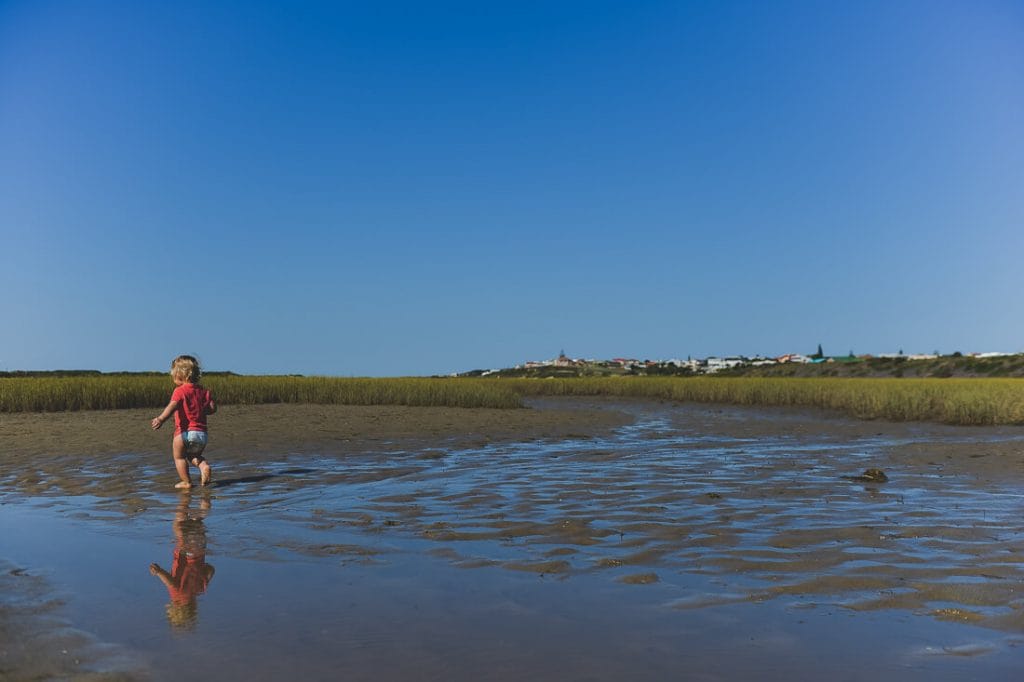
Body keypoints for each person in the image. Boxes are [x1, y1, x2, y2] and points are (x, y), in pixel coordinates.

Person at [150, 494, 215, 629]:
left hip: (200, 548)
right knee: (179, 523)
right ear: (175, 609)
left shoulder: (200, 590)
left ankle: (206, 498)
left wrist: (203, 567)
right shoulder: (177, 596)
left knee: (198, 520)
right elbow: (171, 583)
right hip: (185, 550)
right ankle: (185, 498)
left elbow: (211, 570)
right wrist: (159, 571)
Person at [151, 355, 216, 489]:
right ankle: (204, 466)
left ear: (181, 375)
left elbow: (172, 406)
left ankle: (186, 481)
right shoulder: (204, 391)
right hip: (201, 433)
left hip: (183, 432)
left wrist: (161, 419)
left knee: (179, 457)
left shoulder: (179, 391)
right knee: (194, 455)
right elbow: (212, 409)